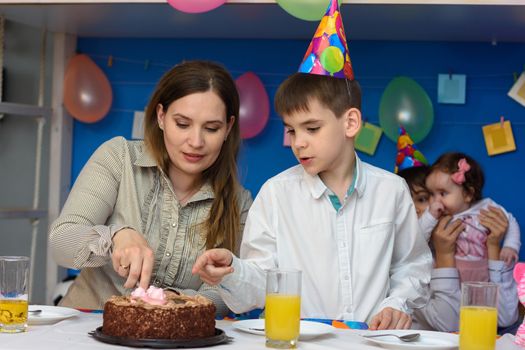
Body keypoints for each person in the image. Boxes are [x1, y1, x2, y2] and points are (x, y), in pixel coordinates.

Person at [192, 0, 432, 330]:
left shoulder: (391, 190)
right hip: (297, 340)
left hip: (370, 342)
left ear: (350, 123)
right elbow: (261, 282)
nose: (297, 142)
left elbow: (412, 267)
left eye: (312, 128)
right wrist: (231, 269)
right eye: (291, 130)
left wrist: (397, 303)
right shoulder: (277, 194)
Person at [49, 60, 253, 316]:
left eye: (211, 128)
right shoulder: (119, 158)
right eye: (182, 124)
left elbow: (230, 290)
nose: (196, 141)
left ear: (228, 128)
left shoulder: (239, 202)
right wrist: (115, 237)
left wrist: (178, 301)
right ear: (161, 116)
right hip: (87, 330)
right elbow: (60, 241)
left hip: (176, 339)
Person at [412, 152, 519, 331]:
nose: (436, 201)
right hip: (453, 288)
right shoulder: (437, 219)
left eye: (442, 193)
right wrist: (430, 215)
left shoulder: (487, 208)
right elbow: (417, 238)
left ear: (468, 194)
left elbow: (511, 222)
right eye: (431, 195)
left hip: (482, 277)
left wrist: (507, 246)